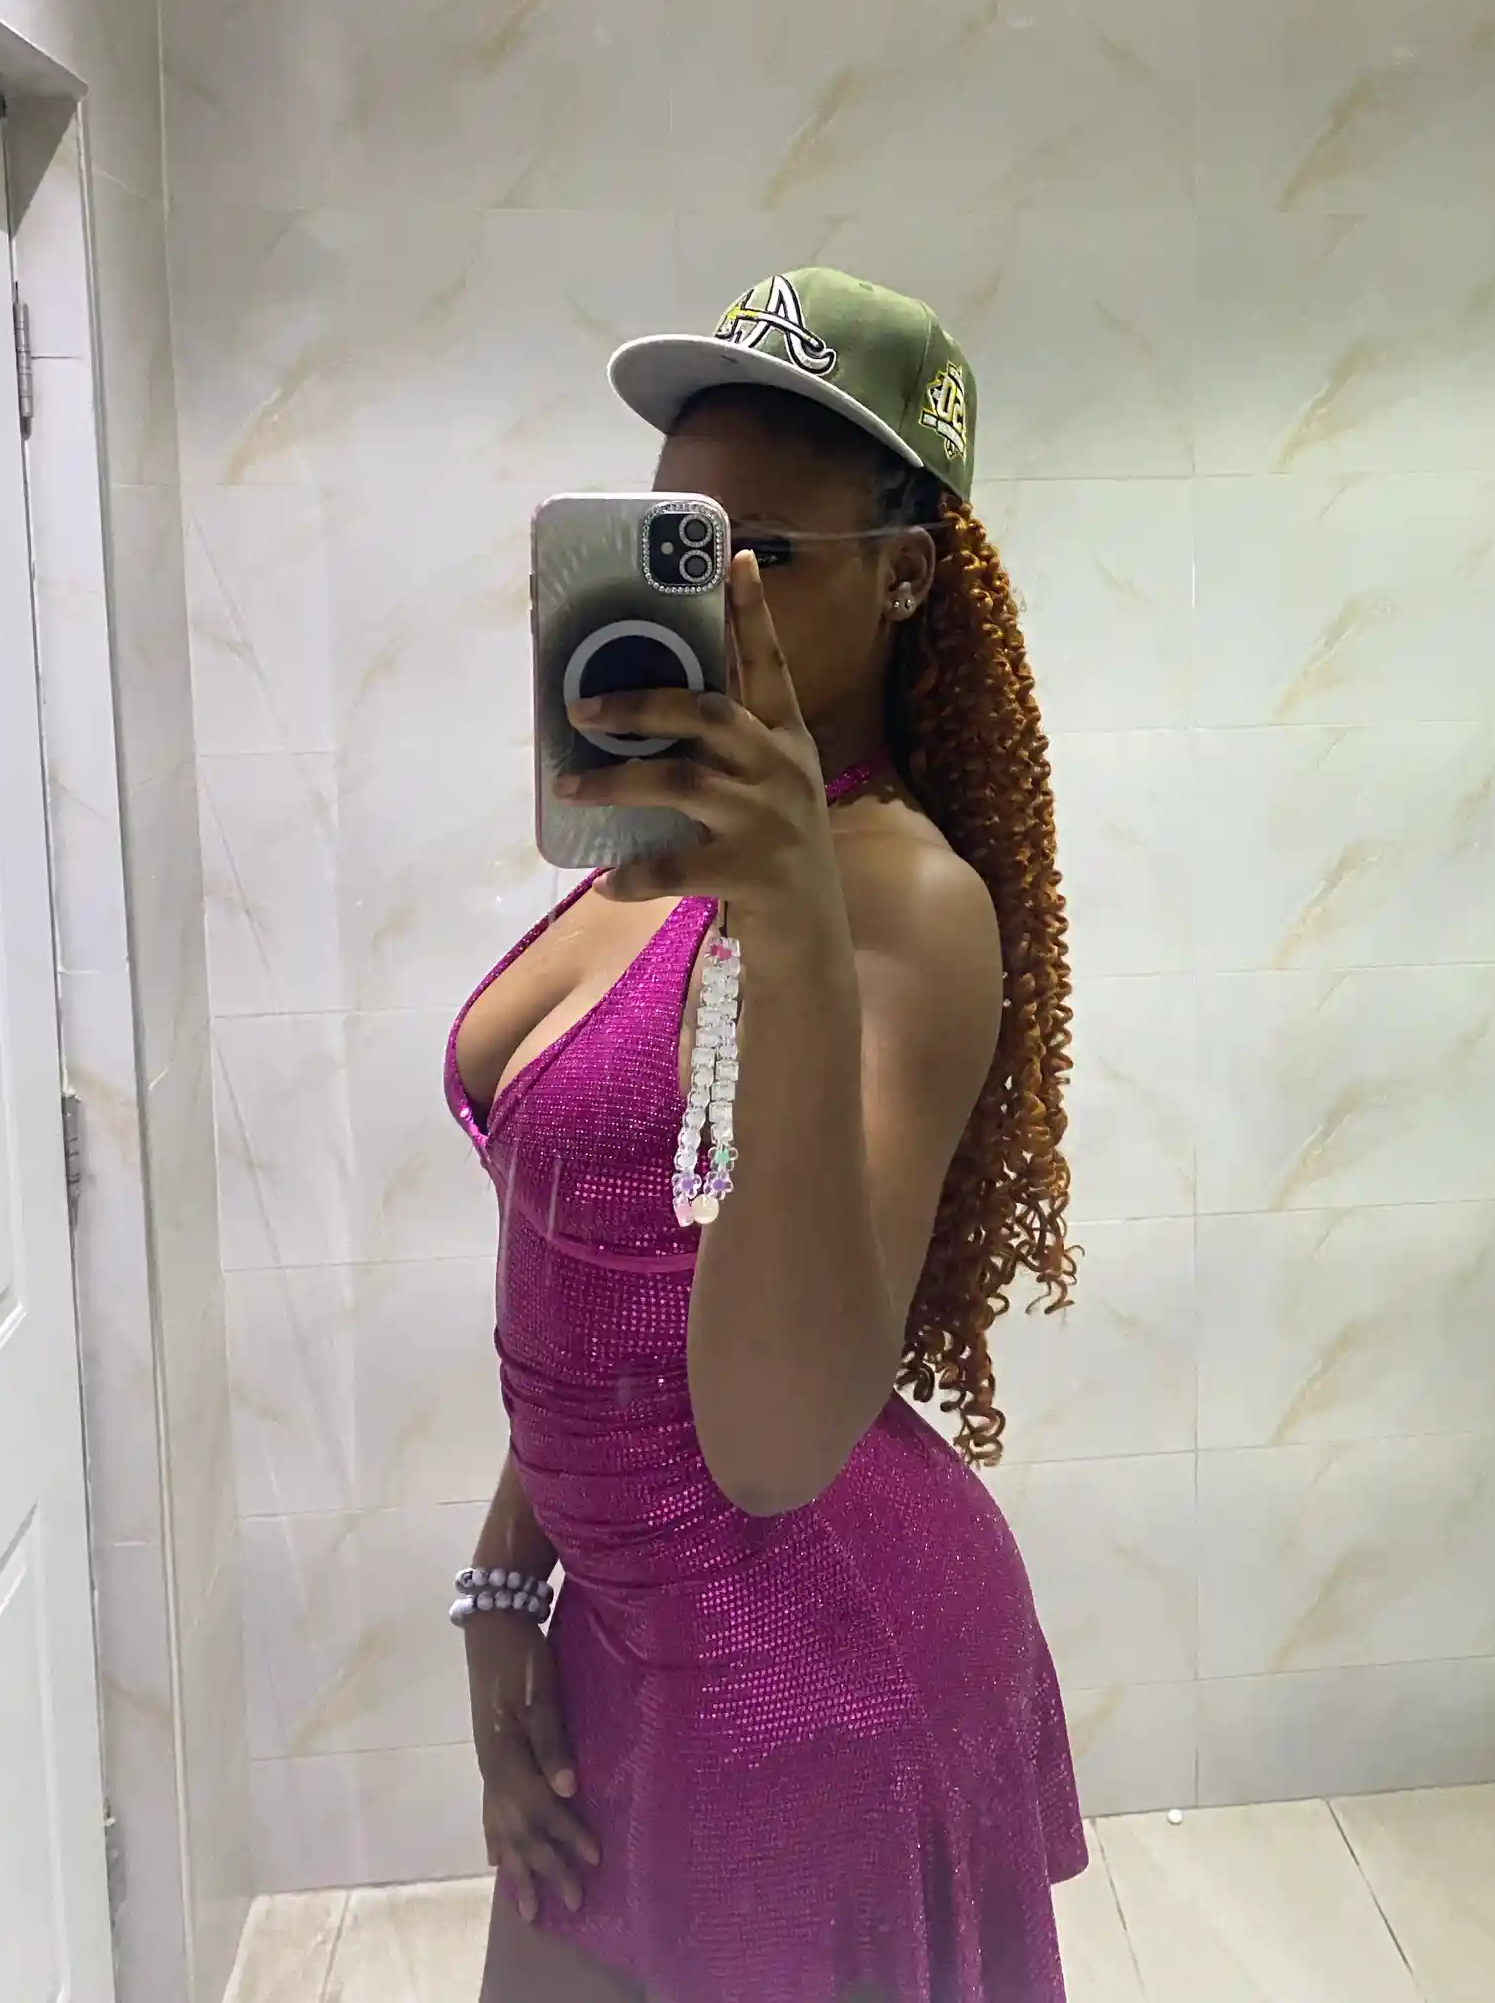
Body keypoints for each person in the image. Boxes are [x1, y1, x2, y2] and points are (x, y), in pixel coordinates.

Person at [445, 269, 1086, 2003]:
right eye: (681, 544)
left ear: (905, 575)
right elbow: (597, 1284)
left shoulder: (902, 905)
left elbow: (775, 1439)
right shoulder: (649, 863)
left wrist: (794, 915)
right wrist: (505, 1587)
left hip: (813, 1668)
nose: (717, 596)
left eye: (767, 554)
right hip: (615, 1637)